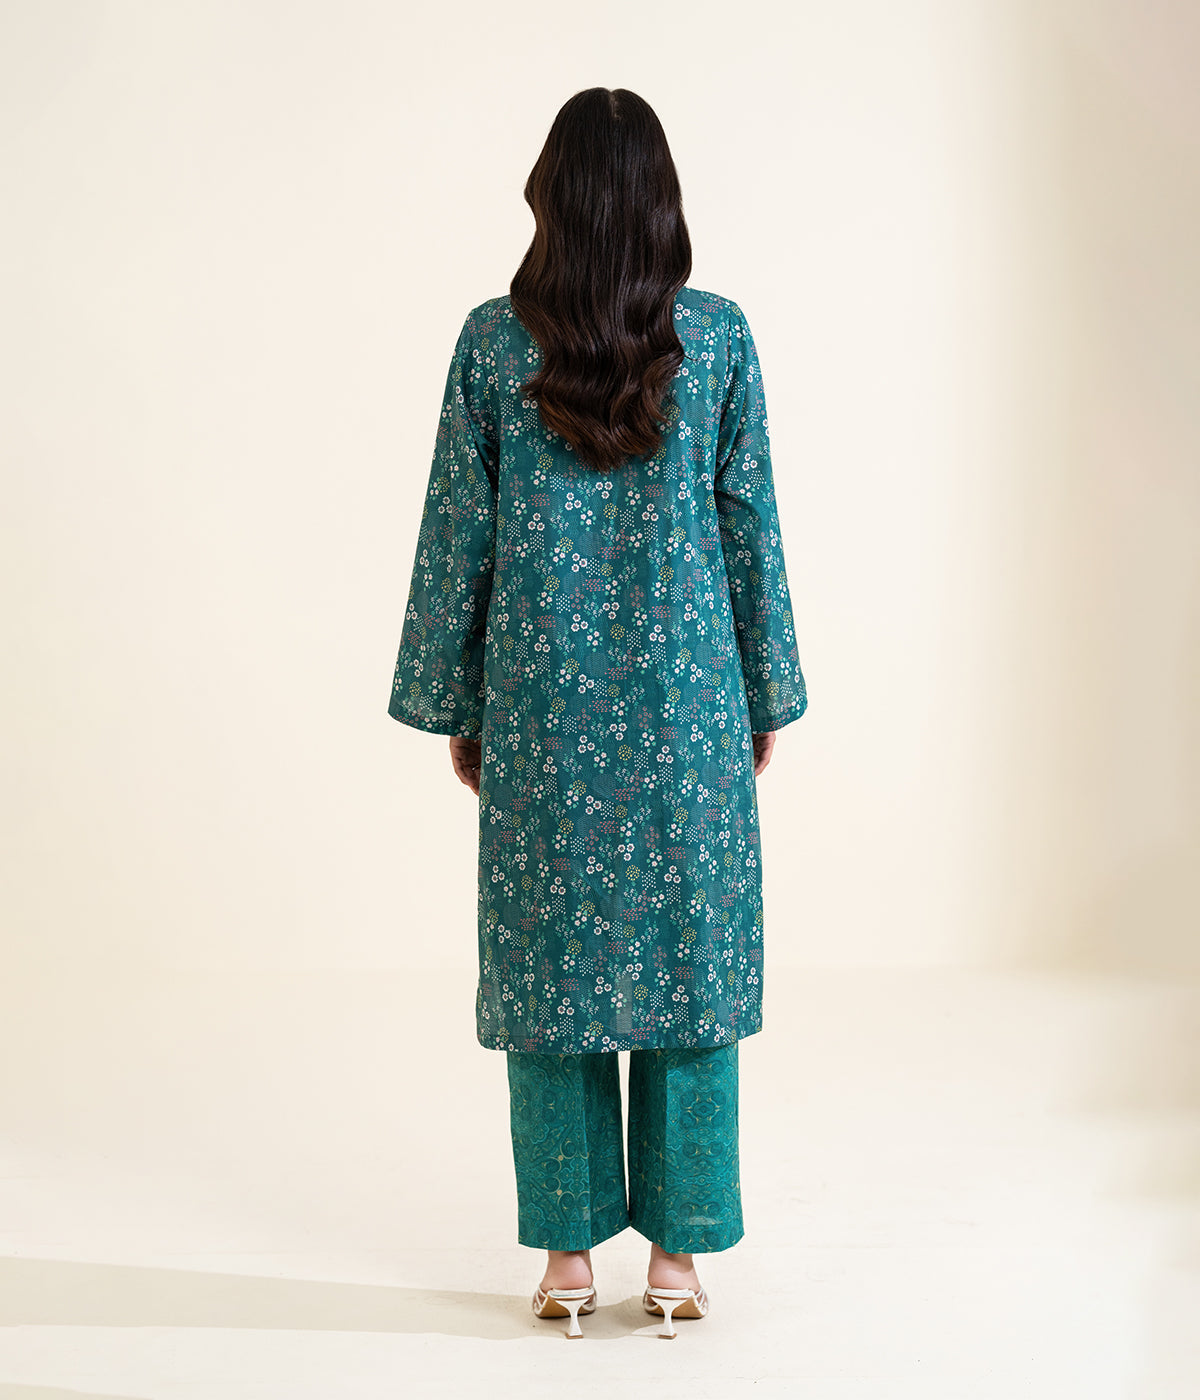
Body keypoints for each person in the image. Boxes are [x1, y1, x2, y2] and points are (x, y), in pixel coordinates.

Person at [386, 87, 808, 1339]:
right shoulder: (717, 337)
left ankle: (568, 1258)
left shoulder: (492, 343)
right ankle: (677, 1260)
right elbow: (748, 521)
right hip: (689, 709)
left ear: (549, 198)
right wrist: (765, 687)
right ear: (661, 203)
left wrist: (454, 699)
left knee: (550, 973)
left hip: (541, 711)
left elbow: (457, 531)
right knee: (692, 969)